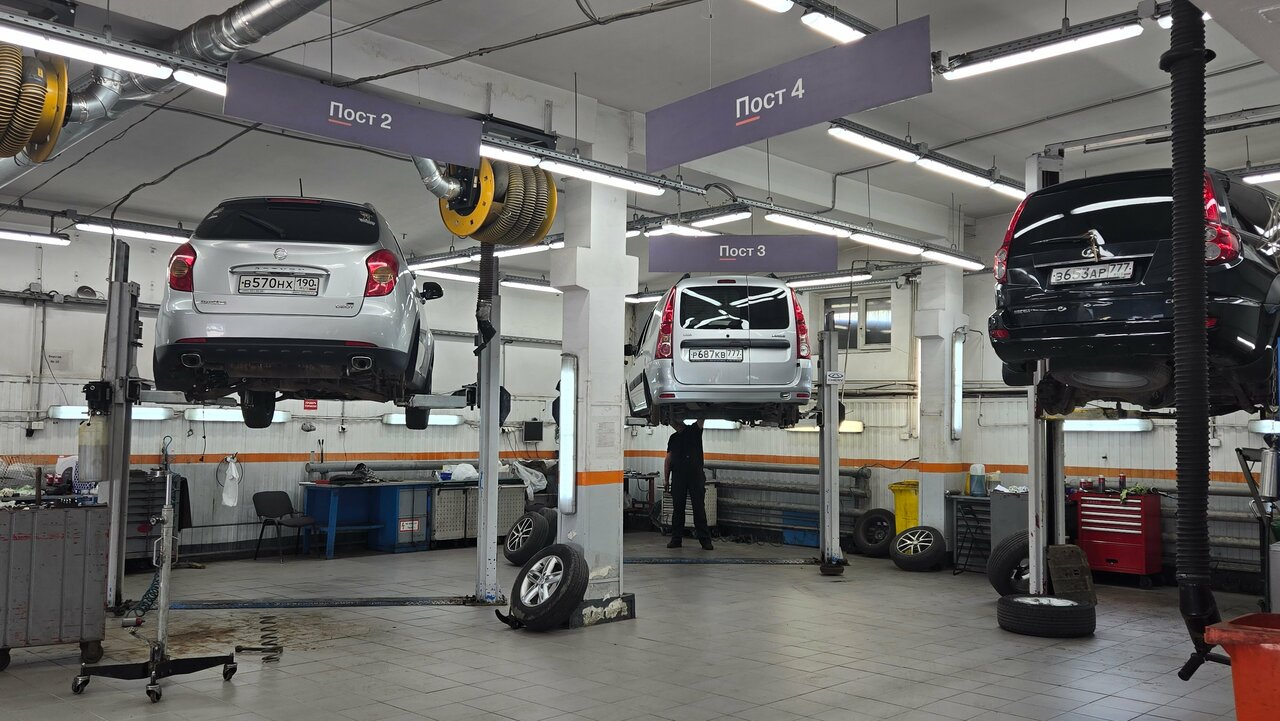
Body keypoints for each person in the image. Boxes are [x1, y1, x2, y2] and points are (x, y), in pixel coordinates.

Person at [664, 416, 713, 550]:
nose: (672, 424)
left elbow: (701, 419)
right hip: (678, 477)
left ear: (680, 421)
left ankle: (705, 540)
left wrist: (702, 409)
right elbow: (668, 459)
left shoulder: (694, 430)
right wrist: (666, 479)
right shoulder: (673, 438)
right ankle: (676, 539)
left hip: (695, 476)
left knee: (699, 508)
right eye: (671, 422)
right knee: (678, 509)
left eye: (673, 421)